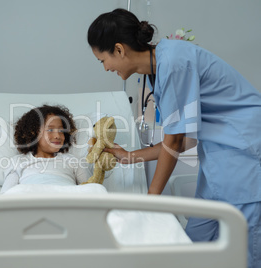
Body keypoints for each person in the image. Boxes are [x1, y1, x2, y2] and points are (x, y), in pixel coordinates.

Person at [87, 8, 261, 268]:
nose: (105, 68)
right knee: (195, 240)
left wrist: (151, 201)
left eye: (103, 60)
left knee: (244, 249)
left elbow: (176, 142)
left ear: (119, 49)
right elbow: (183, 139)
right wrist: (130, 156)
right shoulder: (159, 69)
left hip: (243, 154)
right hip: (217, 159)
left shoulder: (175, 62)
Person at [0, 105, 90, 193]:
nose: (57, 136)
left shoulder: (73, 161)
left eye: (61, 131)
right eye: (50, 130)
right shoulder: (18, 162)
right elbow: (6, 195)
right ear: (33, 133)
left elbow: (92, 190)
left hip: (65, 201)